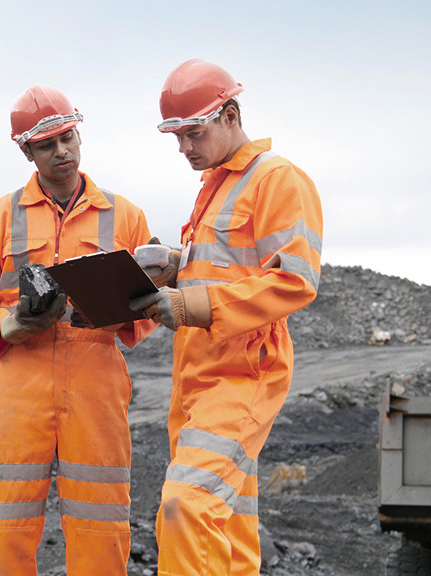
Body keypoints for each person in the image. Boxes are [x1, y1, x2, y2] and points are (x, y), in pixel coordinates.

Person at [0, 86, 158, 575]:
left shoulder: (124, 217)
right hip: (16, 386)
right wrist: (14, 323)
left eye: (68, 138)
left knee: (101, 527)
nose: (62, 151)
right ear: (27, 151)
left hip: (95, 385)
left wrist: (115, 312)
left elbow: (151, 304)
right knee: (4, 528)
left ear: (78, 134)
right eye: (47, 145)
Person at [130, 59, 323, 575]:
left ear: (230, 114)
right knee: (227, 527)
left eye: (194, 133)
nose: (185, 148)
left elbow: (296, 281)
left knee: (185, 505)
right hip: (195, 378)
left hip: (244, 373)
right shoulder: (214, 187)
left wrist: (192, 303)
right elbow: (227, 267)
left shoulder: (278, 180)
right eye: (177, 137)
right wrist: (176, 267)